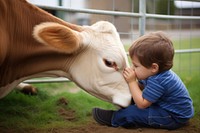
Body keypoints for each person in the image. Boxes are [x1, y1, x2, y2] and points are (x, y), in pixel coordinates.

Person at [92, 31, 194, 130]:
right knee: (134, 98)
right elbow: (140, 87)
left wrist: (131, 81)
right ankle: (128, 111)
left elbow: (142, 104)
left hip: (173, 116)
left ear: (154, 67)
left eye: (136, 66)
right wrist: (128, 82)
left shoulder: (159, 80)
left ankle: (114, 118)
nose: (133, 68)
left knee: (134, 112)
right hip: (166, 108)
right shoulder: (153, 73)